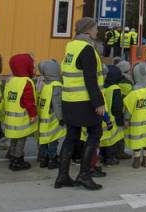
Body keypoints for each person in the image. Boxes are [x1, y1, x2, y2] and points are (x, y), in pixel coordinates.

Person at [57, 17, 105, 191]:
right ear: (88, 30)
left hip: (69, 100)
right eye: (95, 28)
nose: (97, 31)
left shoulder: (71, 47)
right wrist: (98, 103)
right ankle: (84, 175)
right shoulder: (87, 49)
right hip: (84, 102)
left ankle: (62, 176)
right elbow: (90, 79)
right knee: (95, 133)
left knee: (71, 137)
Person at [3, 53, 38, 171]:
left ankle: (12, 155)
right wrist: (33, 114)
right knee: (21, 140)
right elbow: (29, 101)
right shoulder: (26, 82)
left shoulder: (10, 81)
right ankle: (18, 160)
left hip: (10, 119)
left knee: (14, 138)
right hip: (21, 120)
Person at [123, 63, 146, 168]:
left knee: (137, 142)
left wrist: (126, 120)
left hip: (136, 124)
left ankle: (136, 161)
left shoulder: (134, 92)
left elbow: (128, 109)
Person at [36, 60, 65, 169]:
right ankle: (52, 160)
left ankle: (43, 160)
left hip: (43, 118)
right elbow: (57, 104)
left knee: (44, 140)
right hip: (53, 119)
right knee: (53, 139)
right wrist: (61, 118)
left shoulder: (45, 84)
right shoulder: (56, 85)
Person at [98, 65, 125, 166]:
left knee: (104, 140)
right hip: (112, 119)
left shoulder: (103, 87)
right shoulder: (116, 88)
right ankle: (110, 159)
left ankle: (102, 156)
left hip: (103, 118)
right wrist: (120, 119)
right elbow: (117, 106)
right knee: (112, 140)